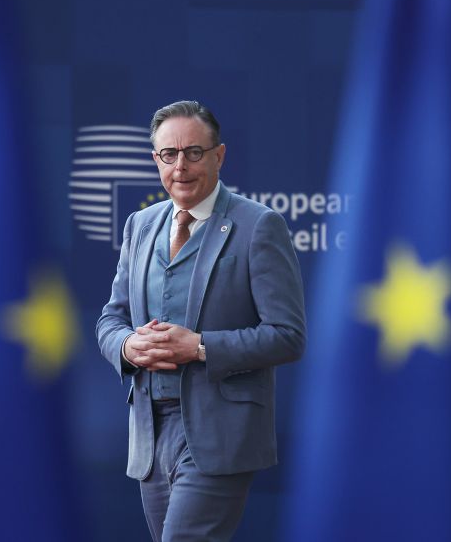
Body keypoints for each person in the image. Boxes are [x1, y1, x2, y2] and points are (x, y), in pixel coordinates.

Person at [96, 100, 307, 541]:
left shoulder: (258, 226)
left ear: (219, 155)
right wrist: (125, 347)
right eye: (168, 155)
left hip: (220, 435)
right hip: (150, 438)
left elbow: (287, 336)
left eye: (194, 152)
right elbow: (111, 318)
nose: (181, 166)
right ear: (156, 160)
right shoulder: (140, 225)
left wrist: (199, 347)